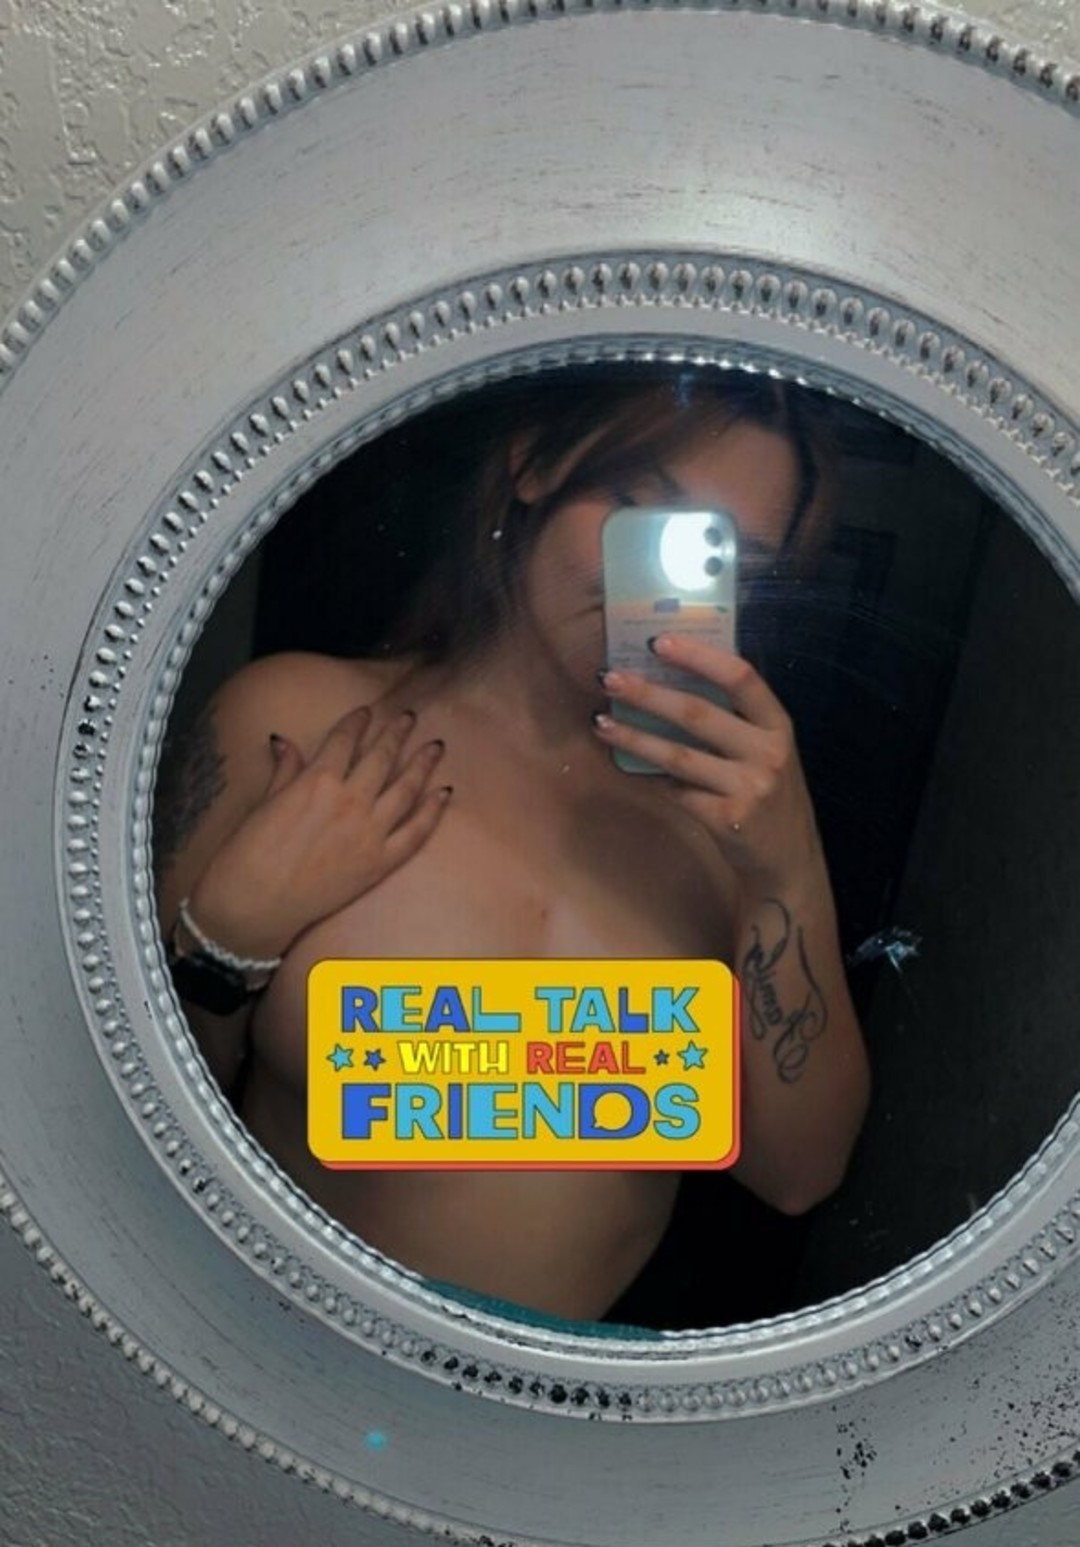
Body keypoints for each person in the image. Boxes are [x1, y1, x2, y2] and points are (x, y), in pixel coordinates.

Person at [154, 367, 871, 1323]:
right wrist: (230, 932)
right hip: (270, 1347)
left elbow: (800, 1175)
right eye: (639, 514)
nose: (658, 592)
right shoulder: (300, 724)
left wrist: (789, 867)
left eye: (723, 562)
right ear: (534, 463)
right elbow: (125, 1125)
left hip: (551, 1398)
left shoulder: (728, 833)